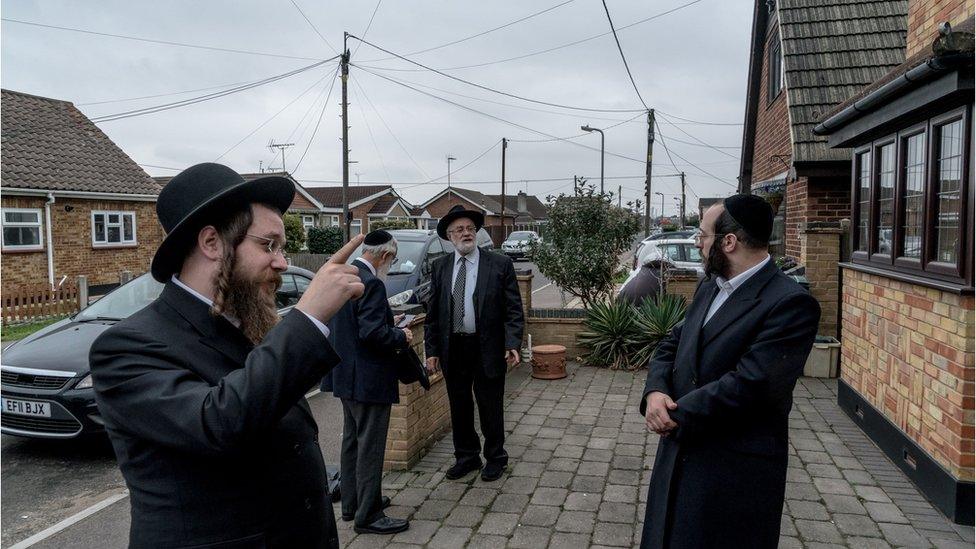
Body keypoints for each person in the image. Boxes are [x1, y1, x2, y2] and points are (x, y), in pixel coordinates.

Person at [90, 163, 365, 549]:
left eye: (282, 248)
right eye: (268, 245)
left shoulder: (247, 323)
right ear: (212, 243)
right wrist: (308, 316)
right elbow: (219, 422)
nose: (283, 262)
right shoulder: (127, 347)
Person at [638, 194, 821, 549]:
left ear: (729, 242)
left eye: (703, 236)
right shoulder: (710, 284)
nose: (698, 243)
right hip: (679, 454)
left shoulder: (790, 304)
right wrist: (655, 392)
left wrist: (675, 413)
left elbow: (753, 384)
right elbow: (674, 342)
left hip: (731, 472)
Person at [321, 229, 412, 535]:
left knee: (351, 441)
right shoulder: (371, 283)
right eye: (392, 259)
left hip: (344, 375)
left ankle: (352, 503)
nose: (391, 264)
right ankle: (369, 515)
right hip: (369, 379)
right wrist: (401, 334)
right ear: (385, 255)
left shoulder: (345, 274)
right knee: (370, 446)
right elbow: (372, 333)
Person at [424, 205, 524, 482]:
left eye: (470, 228)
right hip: (453, 348)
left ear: (476, 233)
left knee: (490, 405)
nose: (466, 233)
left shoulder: (499, 264)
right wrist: (431, 350)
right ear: (449, 235)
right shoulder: (440, 267)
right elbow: (433, 314)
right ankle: (467, 457)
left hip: (488, 346)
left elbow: (513, 309)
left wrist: (512, 342)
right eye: (459, 229)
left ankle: (495, 457)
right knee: (459, 406)